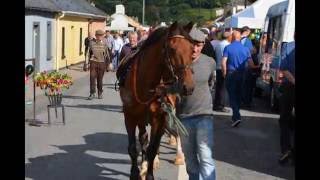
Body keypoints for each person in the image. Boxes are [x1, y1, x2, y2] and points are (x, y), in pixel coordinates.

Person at [178, 27, 216, 180]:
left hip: (204, 115)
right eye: (192, 44)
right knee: (190, 159)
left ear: (203, 45)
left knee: (205, 155)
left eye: (199, 45)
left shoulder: (210, 62)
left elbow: (212, 84)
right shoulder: (178, 63)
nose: (195, 48)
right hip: (184, 117)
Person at [221, 28, 255, 127]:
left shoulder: (228, 47)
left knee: (232, 95)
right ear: (240, 38)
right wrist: (257, 67)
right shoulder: (246, 49)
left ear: (232, 37)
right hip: (242, 74)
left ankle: (236, 116)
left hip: (231, 74)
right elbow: (251, 64)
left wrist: (224, 73)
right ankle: (235, 116)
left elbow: (223, 62)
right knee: (238, 95)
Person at [278, 39, 295, 165]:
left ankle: (286, 150)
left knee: (284, 119)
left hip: (289, 87)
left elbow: (283, 68)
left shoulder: (289, 46)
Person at [86, 30, 111, 100]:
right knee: (92, 78)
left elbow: (108, 55)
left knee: (100, 79)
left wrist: (109, 64)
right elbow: (87, 53)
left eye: (101, 35)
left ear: (103, 36)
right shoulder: (91, 43)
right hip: (93, 62)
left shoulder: (105, 44)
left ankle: (100, 93)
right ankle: (92, 93)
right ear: (96, 35)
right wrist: (86, 63)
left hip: (101, 63)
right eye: (98, 35)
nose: (100, 37)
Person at [212, 31, 232, 112]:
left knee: (219, 88)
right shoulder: (227, 45)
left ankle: (217, 104)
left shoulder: (218, 45)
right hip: (224, 68)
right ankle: (220, 105)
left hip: (218, 67)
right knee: (223, 89)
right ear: (228, 37)